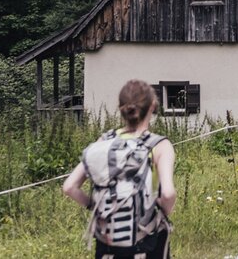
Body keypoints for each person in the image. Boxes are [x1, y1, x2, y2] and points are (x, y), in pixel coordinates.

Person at [63, 80, 177, 258]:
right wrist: (162, 213)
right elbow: (168, 193)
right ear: (153, 106)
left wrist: (94, 207)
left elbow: (69, 187)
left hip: (107, 243)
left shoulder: (105, 141)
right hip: (146, 242)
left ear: (121, 108)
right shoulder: (159, 145)